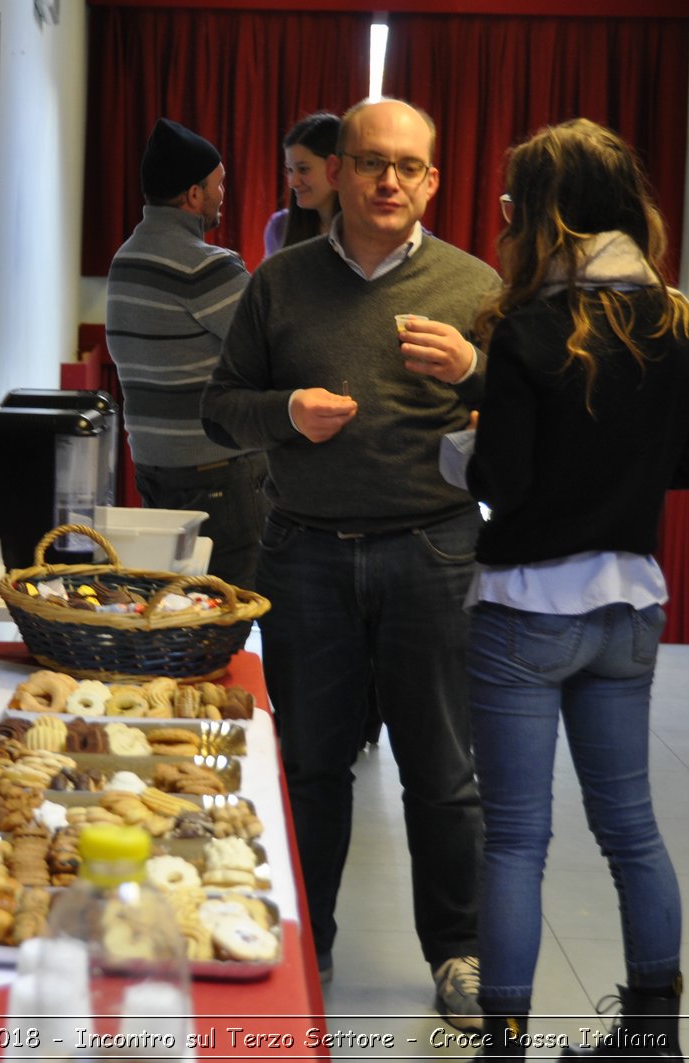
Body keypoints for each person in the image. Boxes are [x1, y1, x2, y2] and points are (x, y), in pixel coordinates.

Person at [201, 97, 500, 1028]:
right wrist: (283, 413)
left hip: (434, 551)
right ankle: (307, 943)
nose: (389, 182)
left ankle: (458, 951)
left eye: (409, 167)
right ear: (337, 170)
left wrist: (477, 374)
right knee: (310, 765)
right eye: (371, 162)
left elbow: (529, 422)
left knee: (443, 771)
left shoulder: (476, 287)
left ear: (433, 180)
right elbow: (221, 408)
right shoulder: (280, 283)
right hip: (306, 556)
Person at [459, 118, 689, 1060]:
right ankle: (653, 1041)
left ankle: (506, 1045)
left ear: (543, 215)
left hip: (526, 611)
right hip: (630, 609)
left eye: (514, 209)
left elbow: (501, 485)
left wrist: (463, 448)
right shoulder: (679, 320)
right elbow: (685, 467)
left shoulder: (529, 329)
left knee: (518, 843)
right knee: (632, 831)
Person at [105, 117, 268, 589]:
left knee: (171, 608)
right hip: (218, 472)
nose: (223, 195)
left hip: (155, 469)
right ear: (193, 196)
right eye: (218, 185)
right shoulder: (206, 267)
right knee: (229, 611)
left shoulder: (125, 259)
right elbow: (270, 348)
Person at [262, 112, 341, 257]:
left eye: (303, 169)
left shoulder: (370, 231)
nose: (292, 182)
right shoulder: (279, 228)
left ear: (335, 168)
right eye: (290, 170)